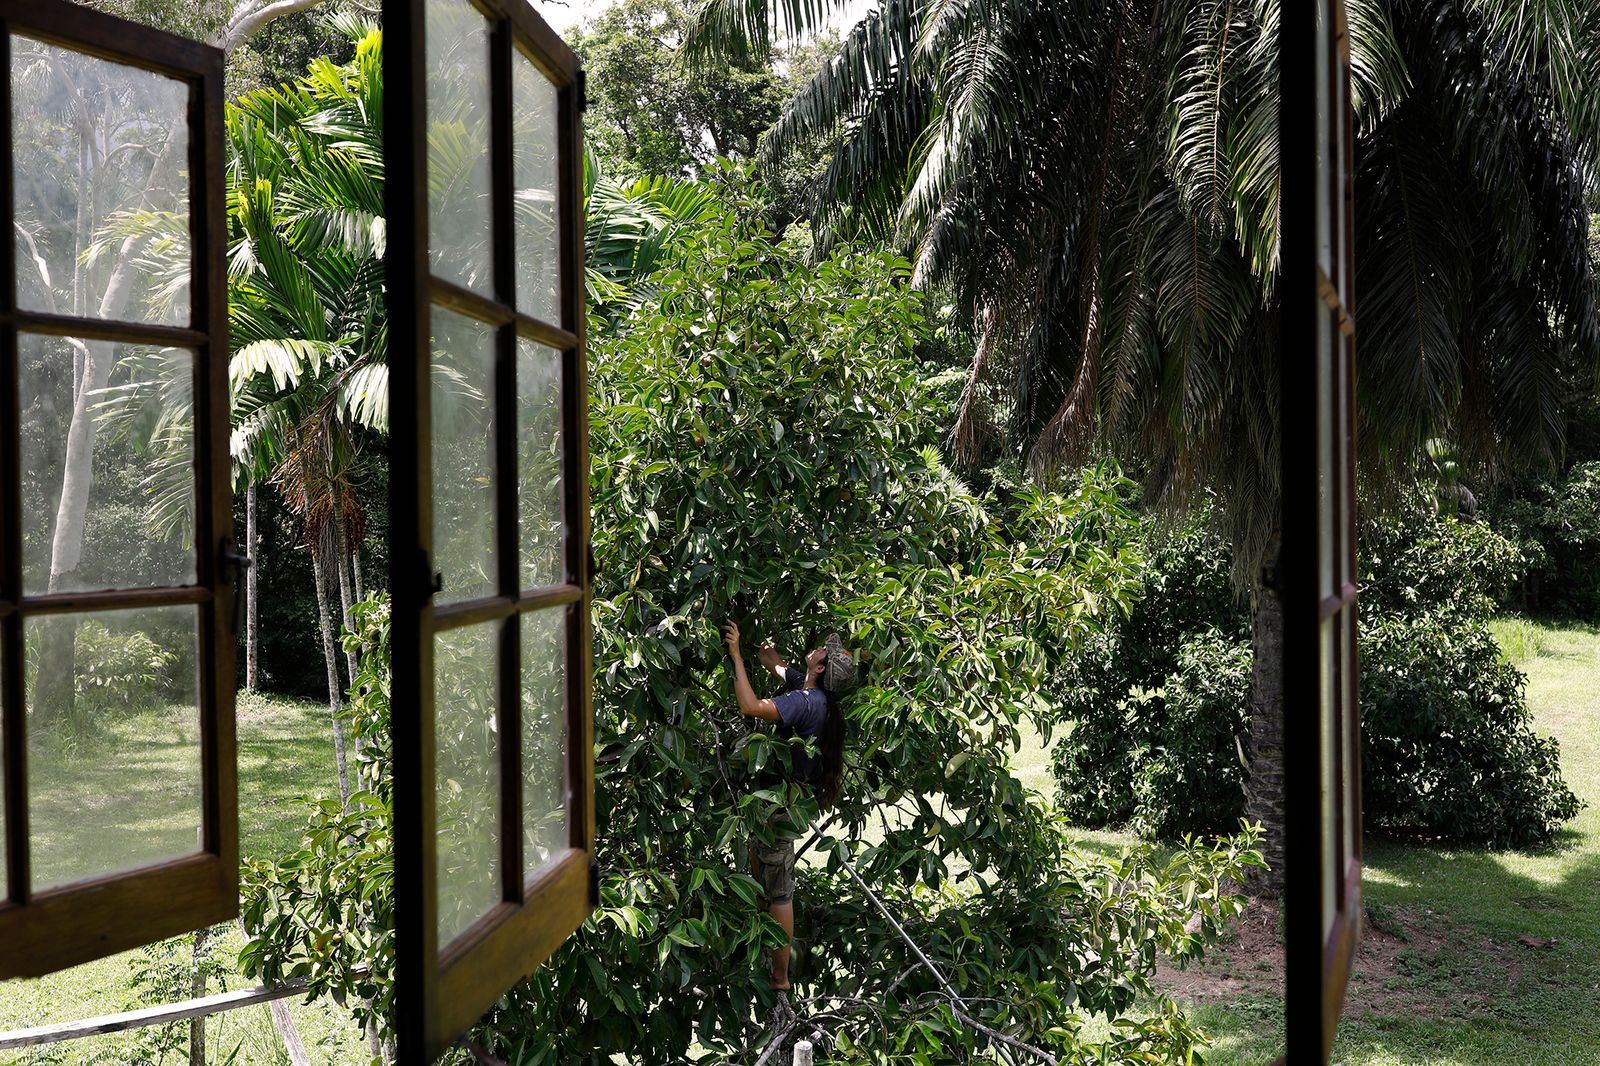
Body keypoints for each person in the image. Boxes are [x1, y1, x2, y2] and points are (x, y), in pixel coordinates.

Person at [720, 621, 854, 992]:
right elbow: (772, 660)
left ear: (820, 668)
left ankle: (780, 979)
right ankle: (767, 948)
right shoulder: (812, 693)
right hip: (784, 801)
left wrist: (734, 655)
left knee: (779, 892)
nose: (816, 648)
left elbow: (749, 706)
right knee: (764, 876)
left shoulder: (803, 702)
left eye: (821, 652)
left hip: (778, 805)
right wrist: (761, 650)